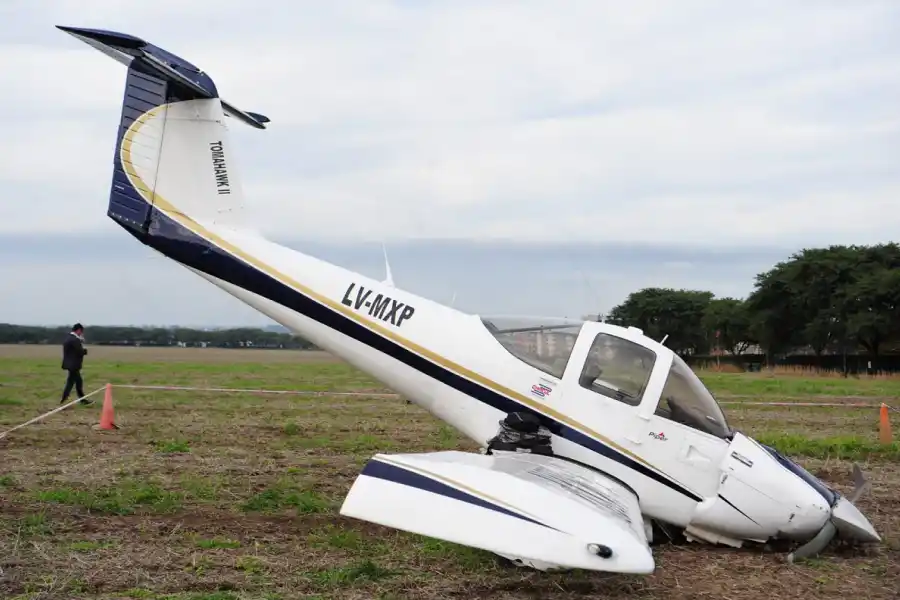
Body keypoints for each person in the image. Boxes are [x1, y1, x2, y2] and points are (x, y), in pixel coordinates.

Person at [60, 323, 92, 405]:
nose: (81, 333)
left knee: (77, 382)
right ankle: (65, 399)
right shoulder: (75, 340)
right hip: (74, 365)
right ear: (78, 330)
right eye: (81, 332)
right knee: (72, 382)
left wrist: (80, 341)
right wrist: (85, 350)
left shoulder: (69, 338)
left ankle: (80, 399)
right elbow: (80, 351)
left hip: (70, 364)